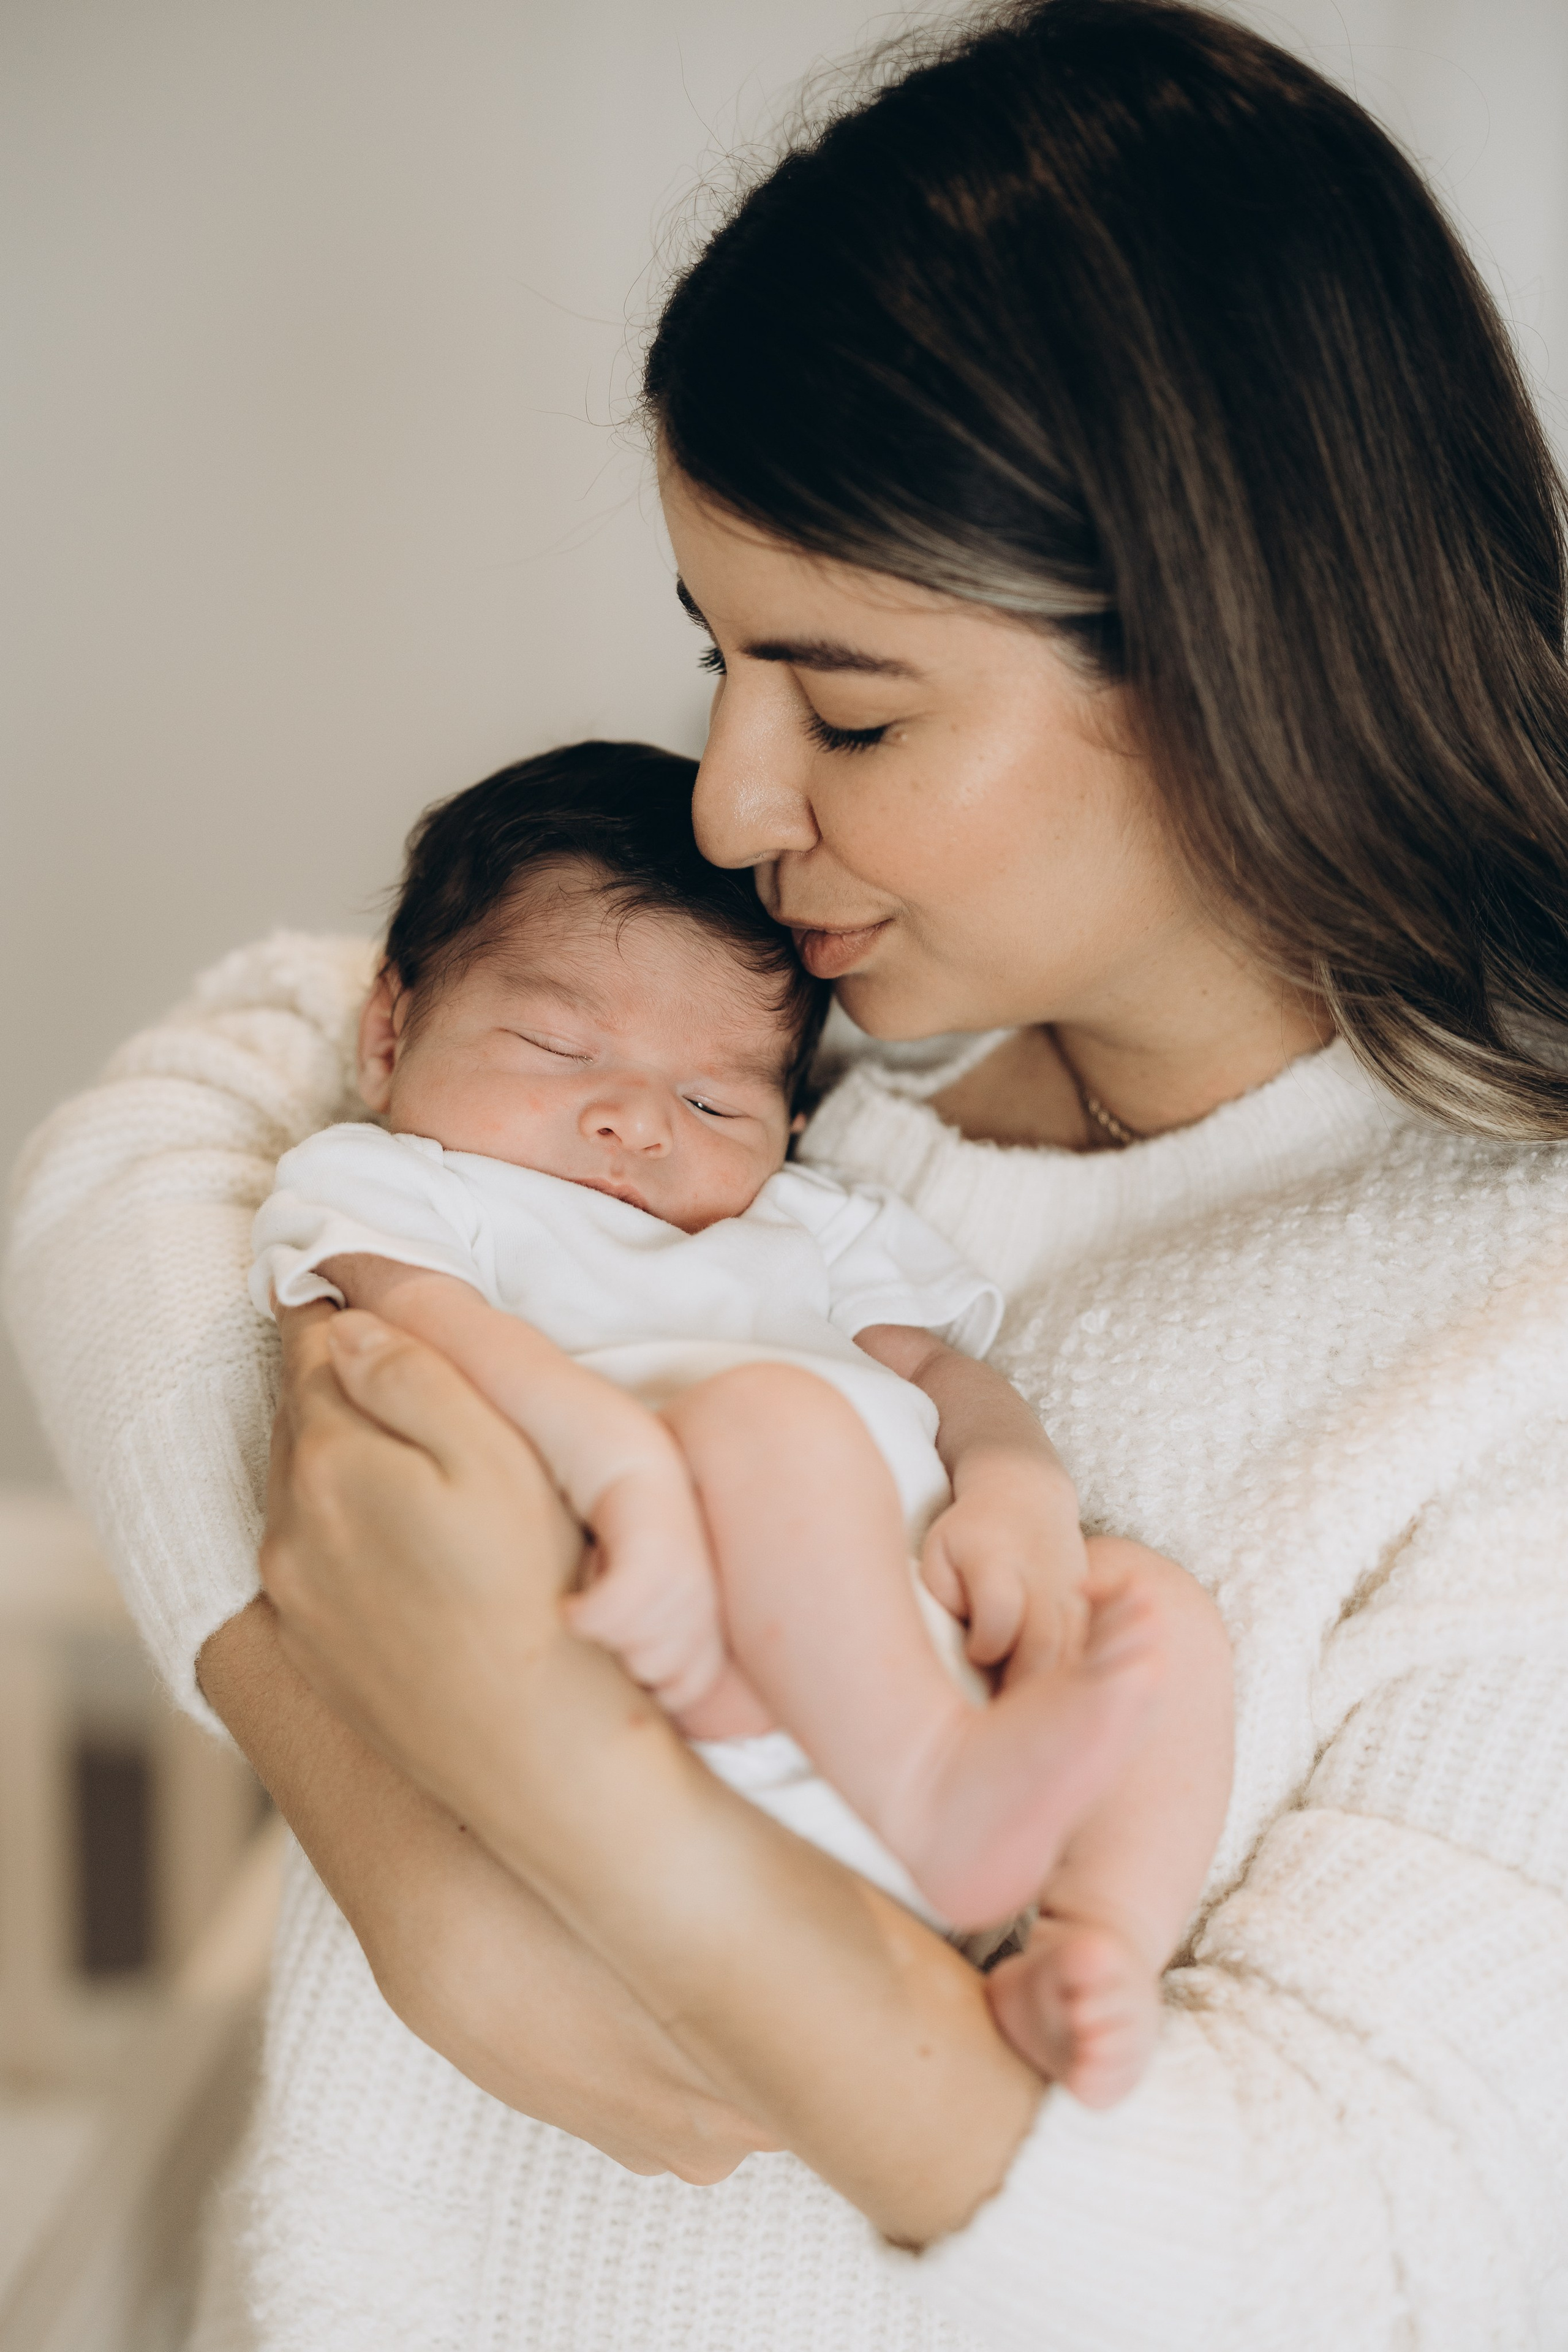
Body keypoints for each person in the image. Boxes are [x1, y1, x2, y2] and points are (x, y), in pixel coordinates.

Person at [9, 1, 1568, 2345]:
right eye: (714, 657)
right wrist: (359, 1783)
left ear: (1236, 650)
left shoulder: (1504, 1323)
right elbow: (166, 1119)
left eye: (846, 708)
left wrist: (578, 1818)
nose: (733, 801)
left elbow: (1339, 2263)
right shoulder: (767, 1047)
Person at [248, 739, 1230, 2094]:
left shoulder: (805, 1221)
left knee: (1148, 1608)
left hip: (917, 1639)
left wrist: (1015, 1494)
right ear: (387, 1032)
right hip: (677, 1651)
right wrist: (621, 1472)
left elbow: (948, 1381)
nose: (636, 1122)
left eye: (716, 1097)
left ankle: (1087, 1942)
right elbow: (436, 1339)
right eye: (555, 1044)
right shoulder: (408, 1186)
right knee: (769, 1417)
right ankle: (940, 1804)